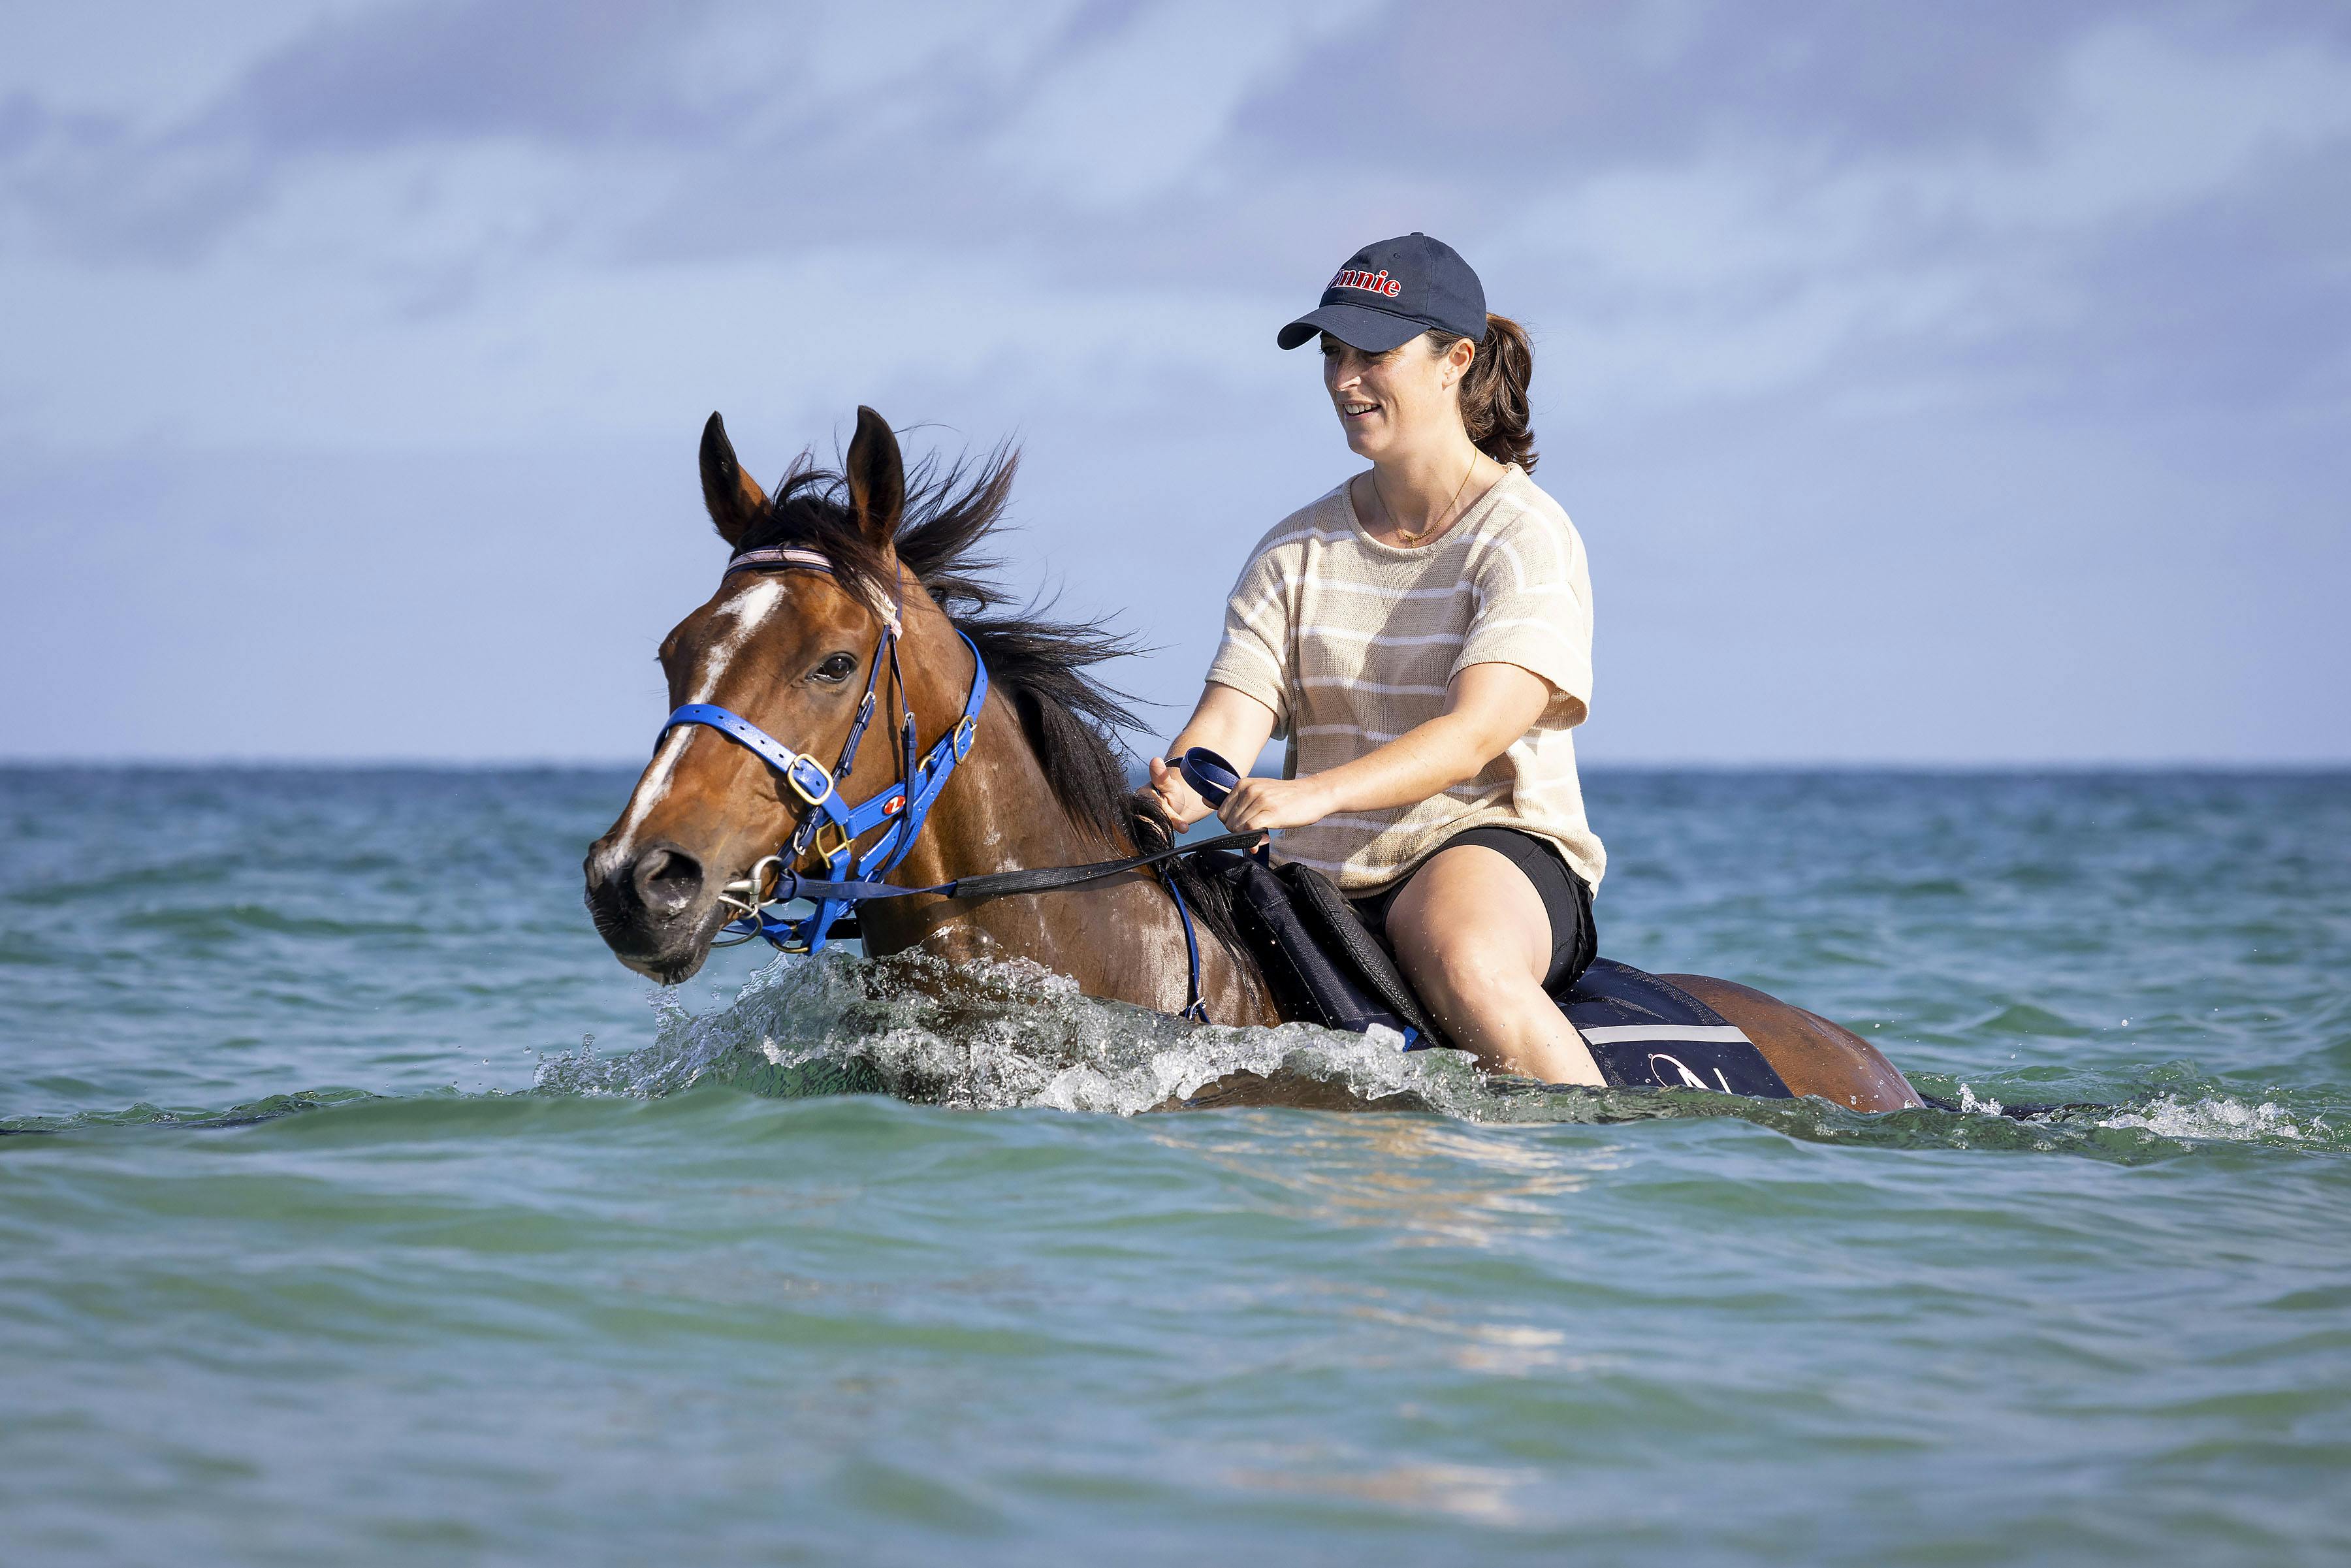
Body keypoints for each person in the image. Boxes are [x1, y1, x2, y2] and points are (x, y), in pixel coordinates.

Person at [1144, 233, 1607, 1085]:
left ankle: (1593, 1148)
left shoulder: (1524, 535)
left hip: (1481, 842)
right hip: (1314, 874)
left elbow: (1471, 738)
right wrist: (1182, 784)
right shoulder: (1293, 551)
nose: (1343, 379)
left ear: (1454, 361)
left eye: (1373, 355)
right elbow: (1225, 731)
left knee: (1462, 954)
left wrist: (1308, 793)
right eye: (1332, 354)